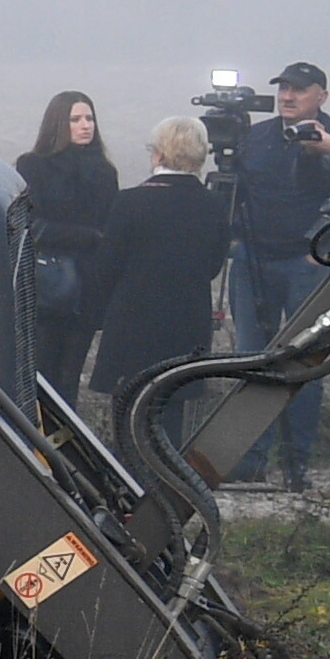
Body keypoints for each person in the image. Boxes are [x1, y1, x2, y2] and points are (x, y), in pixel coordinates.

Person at [220, 61, 330, 485]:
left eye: (299, 89)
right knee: (252, 360)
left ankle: (296, 464)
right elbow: (235, 193)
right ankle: (250, 462)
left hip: (308, 267)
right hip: (254, 261)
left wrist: (320, 251)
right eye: (284, 88)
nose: (288, 96)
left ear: (322, 96)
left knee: (306, 364)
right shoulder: (255, 138)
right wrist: (236, 240)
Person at [93, 112, 234, 458]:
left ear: (157, 154)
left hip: (133, 319)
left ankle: (127, 481)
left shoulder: (130, 202)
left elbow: (106, 267)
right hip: (186, 318)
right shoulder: (214, 205)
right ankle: (166, 481)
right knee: (171, 407)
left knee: (129, 407)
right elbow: (214, 264)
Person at [20, 89, 117, 405]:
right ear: (59, 124)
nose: (85, 125)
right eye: (76, 119)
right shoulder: (33, 166)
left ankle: (67, 445)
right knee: (41, 374)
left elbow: (111, 226)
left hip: (88, 288)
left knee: (70, 377)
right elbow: (30, 225)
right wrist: (86, 237)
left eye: (89, 118)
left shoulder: (105, 172)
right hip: (47, 284)